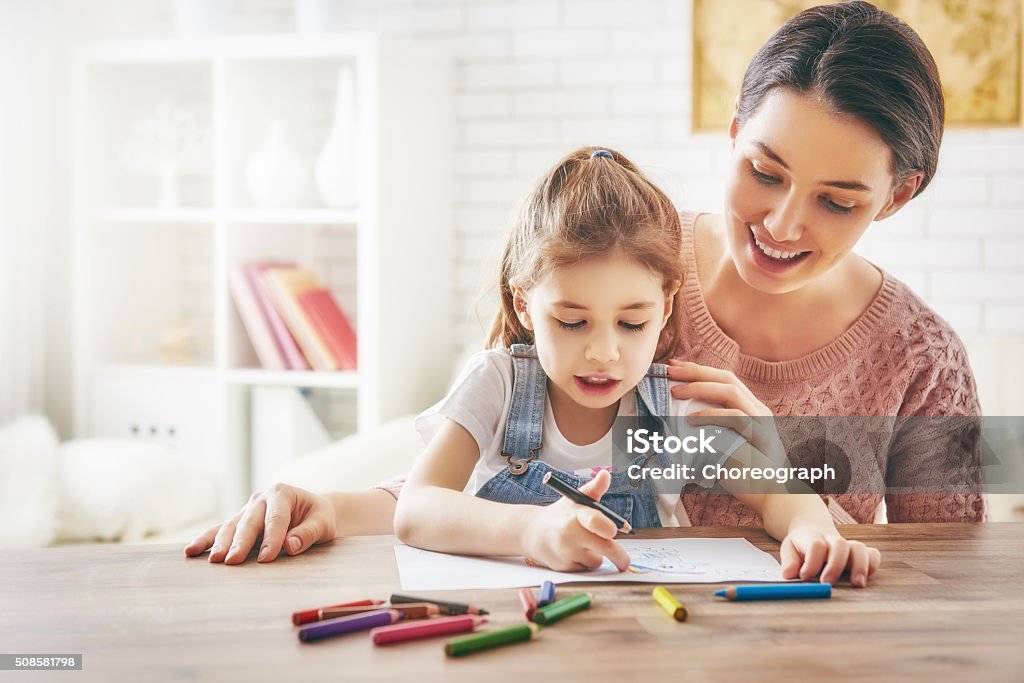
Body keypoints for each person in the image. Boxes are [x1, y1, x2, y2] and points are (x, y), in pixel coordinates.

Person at [184, 0, 982, 568]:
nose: (780, 223)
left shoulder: (923, 362)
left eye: (837, 201)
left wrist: (798, 486)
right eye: (763, 171)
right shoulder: (625, 259)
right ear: (735, 134)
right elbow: (491, 460)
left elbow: (953, 578)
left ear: (898, 194)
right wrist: (332, 505)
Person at [390, 145, 878, 583]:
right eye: (572, 322)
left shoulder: (674, 408)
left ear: (664, 309)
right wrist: (532, 530)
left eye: (631, 324)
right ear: (524, 307)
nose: (603, 353)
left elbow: (777, 495)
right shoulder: (496, 385)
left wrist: (812, 530)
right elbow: (417, 508)